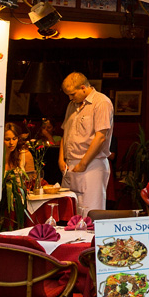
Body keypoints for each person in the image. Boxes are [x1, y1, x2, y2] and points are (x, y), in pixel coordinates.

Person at [59, 72, 113, 214]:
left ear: (83, 87)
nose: (70, 98)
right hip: (69, 164)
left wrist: (83, 163)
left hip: (91, 164)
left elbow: (100, 136)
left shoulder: (101, 102)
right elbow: (65, 132)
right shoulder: (72, 105)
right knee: (71, 213)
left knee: (89, 212)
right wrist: (61, 158)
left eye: (72, 94)